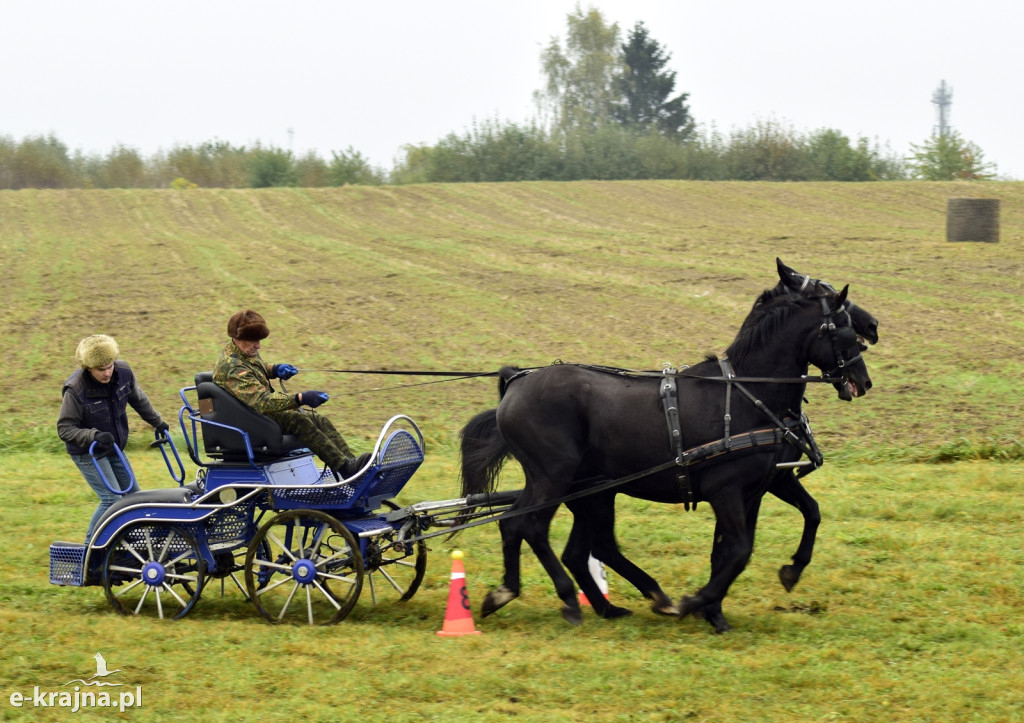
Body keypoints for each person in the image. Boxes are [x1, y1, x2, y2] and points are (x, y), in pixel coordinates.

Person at [212, 309, 370, 480]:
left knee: (319, 420)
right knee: (299, 421)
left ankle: (351, 463)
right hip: (250, 419)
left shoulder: (241, 351)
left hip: (255, 412)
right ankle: (344, 468)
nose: (258, 345)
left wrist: (276, 369)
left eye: (259, 340)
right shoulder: (233, 366)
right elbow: (263, 401)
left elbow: (257, 367)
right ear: (237, 337)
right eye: (253, 341)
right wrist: (300, 399)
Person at [57, 335, 170, 542]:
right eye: (101, 369)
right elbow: (65, 429)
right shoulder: (75, 389)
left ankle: (130, 545)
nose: (107, 372)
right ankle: (90, 550)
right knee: (112, 500)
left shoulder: (123, 373)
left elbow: (138, 399)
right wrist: (94, 436)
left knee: (134, 498)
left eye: (109, 366)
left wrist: (157, 422)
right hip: (88, 452)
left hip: (114, 448)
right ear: (88, 367)